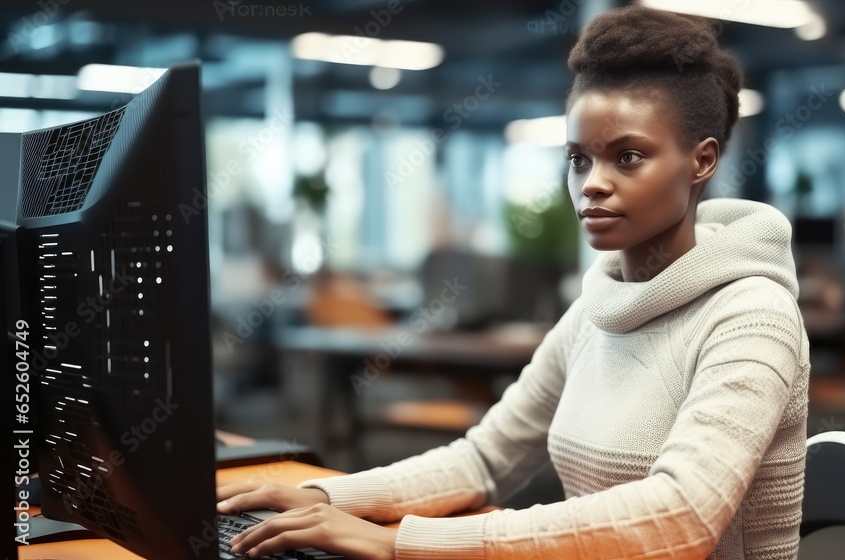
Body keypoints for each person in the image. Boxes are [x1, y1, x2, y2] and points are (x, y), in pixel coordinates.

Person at [217, 6, 810, 559]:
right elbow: (482, 460)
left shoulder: (753, 316)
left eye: (628, 157)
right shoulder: (597, 309)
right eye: (579, 159)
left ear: (701, 161)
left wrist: (406, 544)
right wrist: (329, 499)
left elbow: (682, 517)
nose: (593, 184)